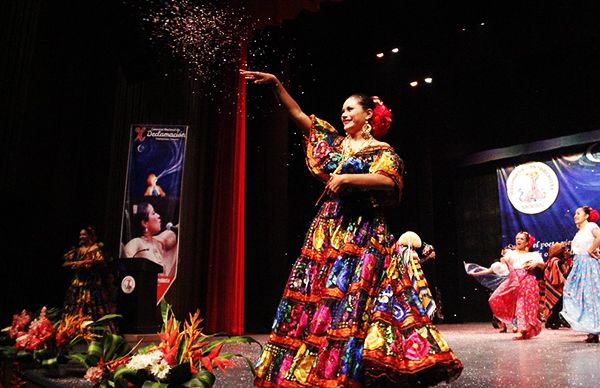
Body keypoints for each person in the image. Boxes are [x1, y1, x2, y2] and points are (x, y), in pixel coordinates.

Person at [243, 70, 462, 387]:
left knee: (352, 302)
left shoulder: (382, 151)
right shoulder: (333, 143)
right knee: (319, 298)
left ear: (368, 114)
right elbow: (298, 115)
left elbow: (389, 180)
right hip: (328, 232)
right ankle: (317, 369)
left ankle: (350, 370)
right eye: (342, 110)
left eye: (350, 109)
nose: (343, 114)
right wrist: (277, 85)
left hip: (362, 231)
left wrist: (348, 179)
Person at [488, 231, 544, 340]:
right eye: (517, 238)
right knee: (520, 304)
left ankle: (527, 328)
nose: (518, 240)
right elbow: (504, 262)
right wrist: (503, 259)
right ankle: (521, 328)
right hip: (516, 282)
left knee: (530, 307)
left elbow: (543, 265)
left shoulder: (533, 255)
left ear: (527, 242)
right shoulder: (511, 253)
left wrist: (535, 263)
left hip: (529, 283)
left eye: (522, 239)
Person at [560, 205, 600, 343]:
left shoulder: (591, 226)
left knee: (591, 296)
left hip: (589, 265)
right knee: (578, 294)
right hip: (579, 265)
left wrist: (591, 250)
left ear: (586, 215)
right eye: (575, 213)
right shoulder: (579, 232)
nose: (575, 216)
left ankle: (594, 330)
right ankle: (591, 328)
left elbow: (599, 236)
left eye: (578, 213)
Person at [62, 227, 114, 329]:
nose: (81, 237)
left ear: (90, 236)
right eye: (80, 235)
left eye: (84, 234)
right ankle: (75, 330)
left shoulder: (95, 249)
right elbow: (65, 263)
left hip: (92, 285)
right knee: (75, 307)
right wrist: (76, 263)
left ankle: (94, 331)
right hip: (78, 285)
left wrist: (84, 262)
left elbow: (100, 261)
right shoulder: (77, 251)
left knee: (93, 308)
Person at [122, 202, 178, 276]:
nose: (158, 216)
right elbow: (126, 266)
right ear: (144, 223)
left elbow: (176, 231)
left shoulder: (157, 242)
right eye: (153, 213)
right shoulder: (136, 243)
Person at [541, 241, 573, 329]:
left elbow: (566, 272)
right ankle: (552, 321)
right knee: (556, 306)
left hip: (560, 288)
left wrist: (568, 261)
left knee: (559, 306)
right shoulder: (553, 260)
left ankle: (554, 321)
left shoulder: (562, 261)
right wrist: (565, 259)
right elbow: (557, 266)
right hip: (554, 287)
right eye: (563, 250)